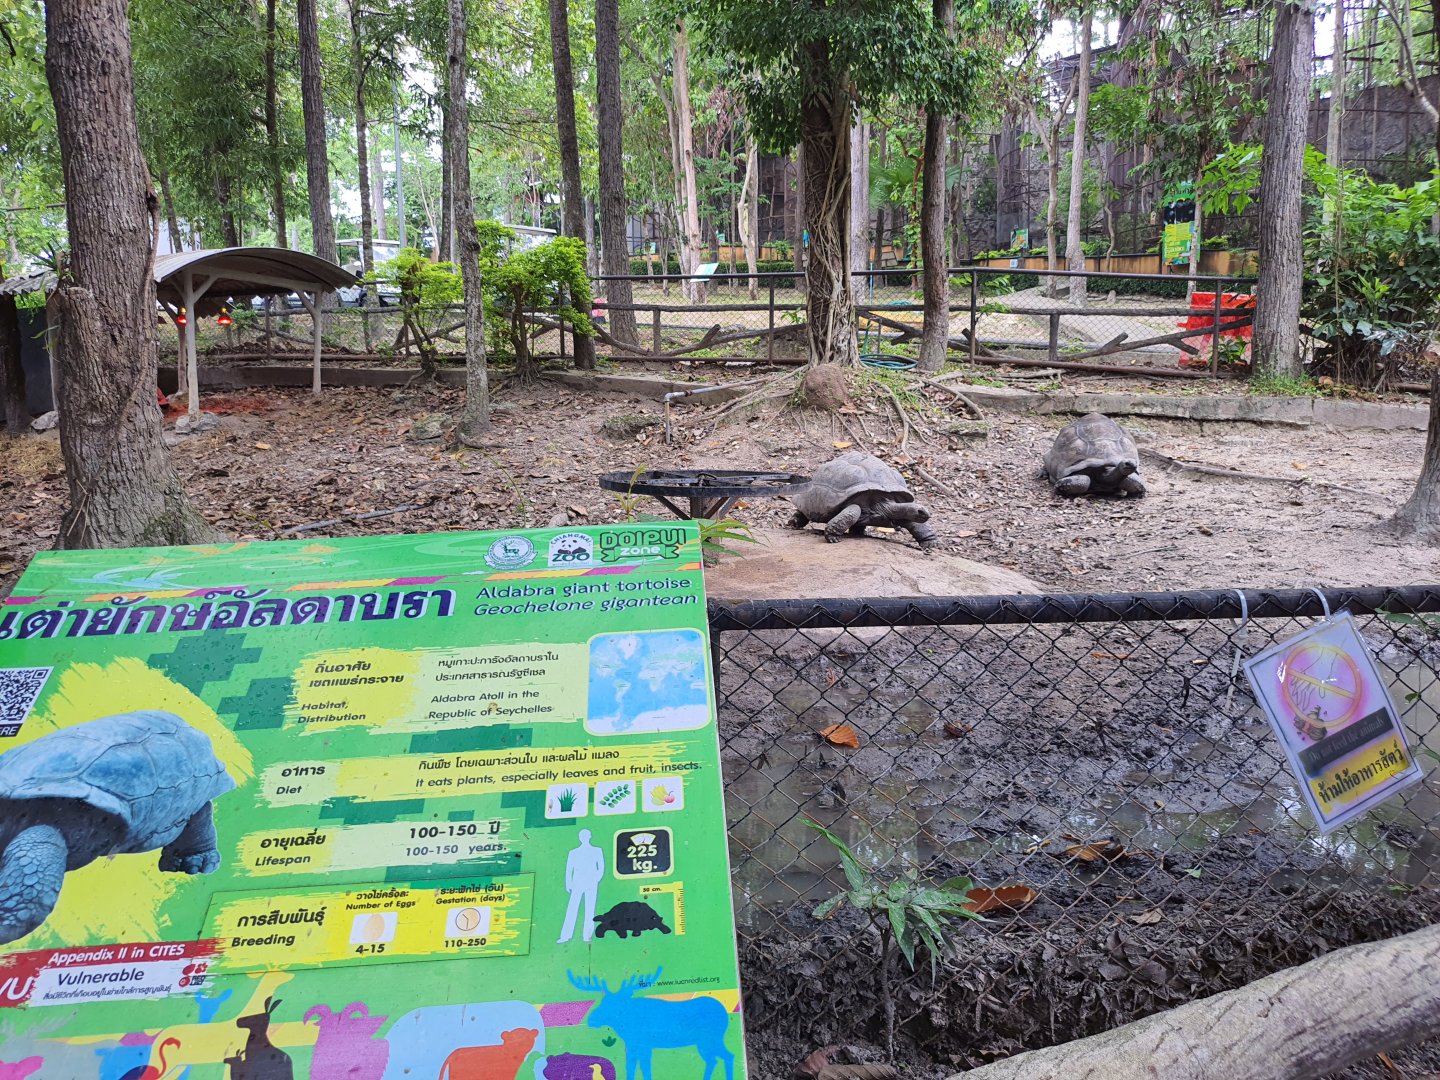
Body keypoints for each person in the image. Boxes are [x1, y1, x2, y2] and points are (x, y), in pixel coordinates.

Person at [558, 829, 604, 944]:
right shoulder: (573, 852)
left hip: (591, 882)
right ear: (579, 838)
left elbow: (601, 867)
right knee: (572, 909)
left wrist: (596, 879)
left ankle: (587, 936)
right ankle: (565, 936)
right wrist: (568, 882)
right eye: (581, 836)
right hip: (577, 882)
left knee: (590, 910)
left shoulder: (597, 850)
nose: (583, 837)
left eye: (586, 835)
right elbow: (569, 869)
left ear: (589, 836)